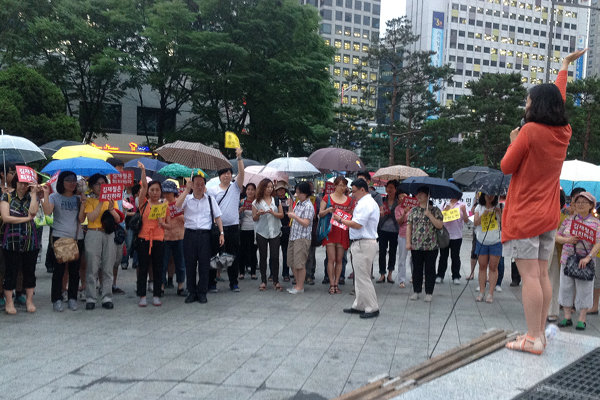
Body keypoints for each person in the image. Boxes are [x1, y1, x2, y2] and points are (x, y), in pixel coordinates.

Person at [504, 49, 587, 355]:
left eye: (528, 101)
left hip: (525, 214)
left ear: (535, 105)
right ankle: (539, 334)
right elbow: (558, 98)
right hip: (549, 214)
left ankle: (533, 338)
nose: (526, 105)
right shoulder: (563, 131)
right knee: (541, 274)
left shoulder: (529, 132)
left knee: (529, 277)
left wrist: (513, 142)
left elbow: (506, 166)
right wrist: (564, 67)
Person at [176, 173, 224, 304]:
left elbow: (218, 217)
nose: (200, 187)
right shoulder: (187, 198)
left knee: (204, 265)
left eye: (202, 184)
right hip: (190, 235)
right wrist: (186, 190)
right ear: (192, 185)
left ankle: (202, 292)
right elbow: (177, 206)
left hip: (205, 236)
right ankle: (192, 292)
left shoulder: (210, 199)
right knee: (190, 264)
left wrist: (221, 233)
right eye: (197, 184)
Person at [555, 191, 600, 331]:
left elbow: (598, 243)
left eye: (584, 202)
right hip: (567, 259)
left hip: (585, 261)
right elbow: (557, 236)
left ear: (591, 205)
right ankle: (567, 317)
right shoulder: (569, 220)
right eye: (578, 202)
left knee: (584, 289)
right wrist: (568, 240)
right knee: (565, 287)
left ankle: (582, 319)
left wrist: (588, 257)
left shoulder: (596, 223)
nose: (580, 205)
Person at [335, 179, 380, 318]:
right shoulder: (365, 202)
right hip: (361, 242)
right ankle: (360, 304)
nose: (352, 194)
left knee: (363, 277)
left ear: (362, 189)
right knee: (360, 276)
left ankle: (372, 307)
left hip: (363, 243)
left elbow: (357, 224)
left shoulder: (366, 203)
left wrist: (341, 220)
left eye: (354, 191)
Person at [42, 171, 86, 312]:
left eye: (74, 180)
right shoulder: (54, 197)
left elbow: (81, 219)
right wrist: (46, 194)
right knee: (59, 270)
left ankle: (73, 298)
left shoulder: (78, 198)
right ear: (61, 181)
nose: (72, 183)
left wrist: (83, 203)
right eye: (68, 180)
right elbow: (47, 212)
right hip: (60, 237)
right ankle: (57, 299)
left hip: (76, 238)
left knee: (74, 270)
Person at [1, 174, 40, 314]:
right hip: (12, 239)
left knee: (29, 271)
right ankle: (9, 302)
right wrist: (25, 219)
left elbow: (33, 212)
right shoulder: (7, 196)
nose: (23, 186)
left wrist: (34, 194)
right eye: (20, 183)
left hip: (30, 239)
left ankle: (29, 301)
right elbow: (6, 217)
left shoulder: (31, 198)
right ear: (16, 183)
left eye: (26, 183)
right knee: (11, 271)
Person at [207, 147, 244, 292]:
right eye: (224, 173)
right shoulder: (213, 191)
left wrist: (239, 158)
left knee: (233, 256)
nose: (227, 176)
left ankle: (234, 283)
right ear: (220, 176)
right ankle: (211, 283)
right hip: (217, 229)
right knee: (214, 256)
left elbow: (242, 174)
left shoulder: (235, 187)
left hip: (233, 227)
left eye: (229, 173)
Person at [84, 173, 122, 310]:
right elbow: (91, 218)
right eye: (98, 184)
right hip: (93, 233)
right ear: (92, 186)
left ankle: (107, 297)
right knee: (92, 266)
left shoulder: (112, 200)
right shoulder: (89, 200)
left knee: (108, 266)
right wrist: (100, 202)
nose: (101, 186)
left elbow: (118, 219)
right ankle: (91, 297)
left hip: (109, 234)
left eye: (103, 183)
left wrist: (111, 209)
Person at [406, 186, 444, 302]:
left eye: (422, 194)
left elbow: (440, 225)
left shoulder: (435, 210)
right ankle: (416, 291)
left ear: (428, 196)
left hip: (431, 245)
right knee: (416, 269)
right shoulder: (413, 210)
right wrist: (408, 242)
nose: (419, 196)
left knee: (430, 269)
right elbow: (409, 227)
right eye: (418, 193)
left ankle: (429, 292)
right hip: (416, 245)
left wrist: (430, 215)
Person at [320, 176, 353, 295]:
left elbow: (351, 215)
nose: (342, 188)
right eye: (340, 185)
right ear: (334, 186)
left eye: (344, 185)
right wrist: (328, 210)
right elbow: (320, 213)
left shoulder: (349, 200)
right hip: (330, 230)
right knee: (331, 259)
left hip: (342, 231)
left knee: (340, 259)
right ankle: (331, 283)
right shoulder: (327, 197)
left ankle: (336, 283)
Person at [253, 178, 284, 292]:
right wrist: (258, 213)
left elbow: (281, 215)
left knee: (275, 256)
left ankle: (276, 280)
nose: (270, 189)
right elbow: (254, 218)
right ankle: (263, 280)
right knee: (263, 256)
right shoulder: (256, 202)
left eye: (271, 187)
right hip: (262, 231)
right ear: (263, 188)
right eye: (268, 187)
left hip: (275, 231)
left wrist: (273, 213)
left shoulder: (276, 200)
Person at [286, 181, 315, 294]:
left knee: (300, 263)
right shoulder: (298, 203)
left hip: (302, 237)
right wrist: (290, 205)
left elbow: (306, 223)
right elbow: (291, 216)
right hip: (294, 235)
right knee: (292, 262)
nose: (297, 194)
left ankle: (300, 286)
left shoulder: (308, 206)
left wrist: (295, 216)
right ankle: (297, 284)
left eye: (299, 192)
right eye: (296, 192)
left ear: (305, 193)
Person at [473, 193, 502, 303]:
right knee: (482, 266)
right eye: (488, 194)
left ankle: (490, 293)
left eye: (493, 195)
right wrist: (483, 215)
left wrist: (499, 213)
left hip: (496, 240)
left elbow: (506, 223)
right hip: (482, 240)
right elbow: (475, 223)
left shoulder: (499, 206)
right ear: (483, 195)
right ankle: (481, 291)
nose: (490, 196)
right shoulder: (479, 207)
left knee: (493, 267)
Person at [161, 180, 187, 296]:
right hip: (165, 237)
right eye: (165, 192)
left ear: (174, 193)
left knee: (180, 263)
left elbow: (187, 220)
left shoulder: (180, 204)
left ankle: (180, 287)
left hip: (179, 236)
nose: (166, 194)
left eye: (168, 192)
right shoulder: (161, 204)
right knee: (163, 263)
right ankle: (161, 286)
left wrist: (182, 214)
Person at [436, 197, 468, 285]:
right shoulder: (444, 204)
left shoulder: (462, 205)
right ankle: (440, 275)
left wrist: (464, 211)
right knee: (443, 256)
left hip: (457, 235)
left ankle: (456, 276)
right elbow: (440, 218)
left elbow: (466, 220)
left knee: (455, 256)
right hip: (445, 235)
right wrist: (445, 210)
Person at [547, 189, 567, 322]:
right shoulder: (541, 215)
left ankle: (552, 310)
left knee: (553, 281)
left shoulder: (564, 219)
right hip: (540, 251)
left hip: (555, 252)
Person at [377, 180, 400, 284]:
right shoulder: (382, 200)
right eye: (388, 187)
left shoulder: (398, 201)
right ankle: (382, 273)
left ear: (395, 189)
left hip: (395, 230)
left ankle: (390, 273)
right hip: (382, 229)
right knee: (382, 251)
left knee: (392, 252)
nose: (389, 189)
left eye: (391, 187)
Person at [0, 162, 16, 308]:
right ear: (2, 174)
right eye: (11, 172)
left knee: (15, 265)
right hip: (1, 232)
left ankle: (18, 292)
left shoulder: (17, 190)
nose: (14, 175)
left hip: (14, 232)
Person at [274, 181, 292, 282]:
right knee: (274, 253)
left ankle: (286, 273)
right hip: (276, 228)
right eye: (278, 190)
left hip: (286, 228)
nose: (280, 191)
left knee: (286, 253)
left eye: (282, 189)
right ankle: (273, 273)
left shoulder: (289, 200)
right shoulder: (274, 200)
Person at [239, 183, 258, 280]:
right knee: (242, 250)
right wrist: (240, 211)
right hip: (244, 228)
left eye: (252, 189)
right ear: (245, 191)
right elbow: (236, 216)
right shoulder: (242, 201)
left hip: (254, 229)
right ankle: (242, 272)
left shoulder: (257, 202)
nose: (250, 191)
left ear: (255, 191)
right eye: (248, 189)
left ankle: (253, 272)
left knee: (253, 251)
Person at [395, 191, 411, 288]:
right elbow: (399, 222)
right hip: (403, 234)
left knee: (415, 258)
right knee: (402, 258)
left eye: (404, 196)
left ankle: (415, 277)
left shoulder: (414, 207)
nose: (402, 198)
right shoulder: (398, 208)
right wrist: (404, 213)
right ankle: (402, 280)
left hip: (414, 234)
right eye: (400, 197)